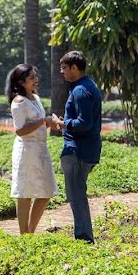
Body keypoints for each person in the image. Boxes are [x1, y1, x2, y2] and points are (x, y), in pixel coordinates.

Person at [47, 51, 103, 243]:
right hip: (84, 148)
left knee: (76, 195)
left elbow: (84, 123)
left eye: (64, 68)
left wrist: (63, 124)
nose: (62, 72)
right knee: (77, 194)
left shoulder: (80, 90)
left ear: (74, 68)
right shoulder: (86, 86)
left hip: (78, 151)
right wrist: (68, 122)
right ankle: (84, 237)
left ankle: (84, 239)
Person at [5, 64, 59, 234]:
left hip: (41, 149)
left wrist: (50, 122)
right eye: (32, 78)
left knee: (46, 191)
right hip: (26, 150)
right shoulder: (19, 102)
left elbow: (39, 122)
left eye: (36, 77)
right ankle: (24, 235)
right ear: (21, 82)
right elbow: (20, 130)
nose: (36, 80)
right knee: (25, 193)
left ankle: (30, 231)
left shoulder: (35, 97)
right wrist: (43, 121)